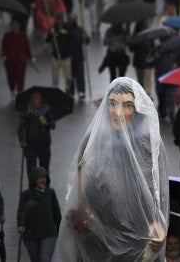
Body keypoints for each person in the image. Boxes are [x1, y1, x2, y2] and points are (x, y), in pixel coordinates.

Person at [55, 77, 169, 261]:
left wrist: (159, 223)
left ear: (137, 109)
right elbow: (80, 186)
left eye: (127, 105)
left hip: (138, 236)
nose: (118, 112)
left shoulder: (148, 144)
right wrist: (79, 218)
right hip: (98, 235)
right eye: (113, 103)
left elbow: (159, 190)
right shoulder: (94, 141)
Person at [17, 167, 61, 262]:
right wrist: (21, 225)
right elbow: (21, 212)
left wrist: (60, 230)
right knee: (35, 259)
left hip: (49, 233)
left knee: (45, 259)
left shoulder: (50, 193)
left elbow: (57, 213)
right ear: (34, 179)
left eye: (44, 177)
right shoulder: (26, 195)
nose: (42, 180)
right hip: (31, 234)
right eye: (39, 177)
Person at [17, 91, 56, 178]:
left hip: (44, 144)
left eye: (39, 98)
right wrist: (21, 139)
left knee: (44, 170)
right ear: (32, 99)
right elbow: (21, 127)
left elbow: (53, 125)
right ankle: (33, 189)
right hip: (30, 145)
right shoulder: (26, 111)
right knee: (31, 170)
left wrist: (46, 123)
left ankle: (45, 189)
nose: (37, 100)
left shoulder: (47, 110)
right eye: (35, 98)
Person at [1, 16, 32, 99]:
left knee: (20, 77)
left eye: (16, 24)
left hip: (21, 61)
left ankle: (20, 93)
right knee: (10, 77)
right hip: (9, 61)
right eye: (13, 24)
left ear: (19, 25)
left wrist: (29, 58)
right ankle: (12, 89)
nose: (14, 26)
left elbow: (27, 48)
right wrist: (4, 55)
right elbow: (3, 47)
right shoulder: (7, 36)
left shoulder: (23, 36)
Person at [45, 12, 72, 95]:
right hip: (55, 56)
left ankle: (68, 90)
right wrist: (51, 33)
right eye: (58, 20)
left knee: (68, 76)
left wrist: (66, 33)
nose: (59, 22)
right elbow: (47, 40)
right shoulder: (52, 28)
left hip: (66, 56)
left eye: (60, 20)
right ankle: (55, 90)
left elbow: (72, 37)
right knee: (55, 76)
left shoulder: (67, 27)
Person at [67, 13, 90, 101]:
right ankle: (71, 91)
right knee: (70, 76)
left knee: (80, 75)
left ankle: (81, 91)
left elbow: (86, 41)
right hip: (68, 56)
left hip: (78, 56)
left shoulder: (80, 30)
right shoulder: (66, 29)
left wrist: (85, 37)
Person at [130, 20, 154, 98]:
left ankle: (148, 95)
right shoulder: (136, 36)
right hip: (139, 61)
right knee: (140, 80)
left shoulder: (149, 34)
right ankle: (143, 95)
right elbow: (131, 48)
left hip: (147, 61)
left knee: (147, 79)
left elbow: (153, 46)